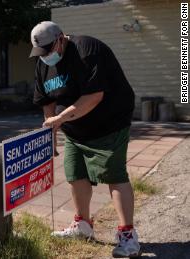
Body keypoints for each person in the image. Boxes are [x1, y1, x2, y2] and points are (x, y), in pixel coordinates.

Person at [29, 21, 140, 258]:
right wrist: (52, 131)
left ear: (61, 39)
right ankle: (83, 225)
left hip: (109, 124)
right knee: (74, 173)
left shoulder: (88, 49)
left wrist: (59, 118)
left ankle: (128, 235)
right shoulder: (43, 63)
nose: (45, 56)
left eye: (48, 50)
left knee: (114, 174)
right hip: (75, 129)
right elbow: (46, 100)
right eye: (41, 52)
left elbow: (93, 96)